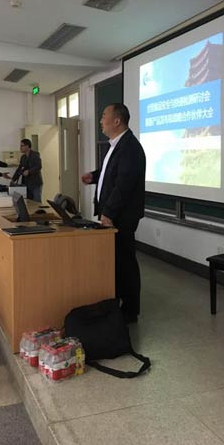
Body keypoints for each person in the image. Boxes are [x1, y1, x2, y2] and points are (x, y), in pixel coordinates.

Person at [81, 103, 146, 323]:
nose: (101, 121)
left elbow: (123, 184)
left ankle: (130, 310)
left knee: (125, 261)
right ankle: (118, 301)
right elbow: (110, 172)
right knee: (116, 261)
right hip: (114, 213)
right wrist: (94, 176)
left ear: (117, 121)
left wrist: (108, 213)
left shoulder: (130, 147)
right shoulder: (117, 145)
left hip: (122, 216)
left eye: (104, 116)